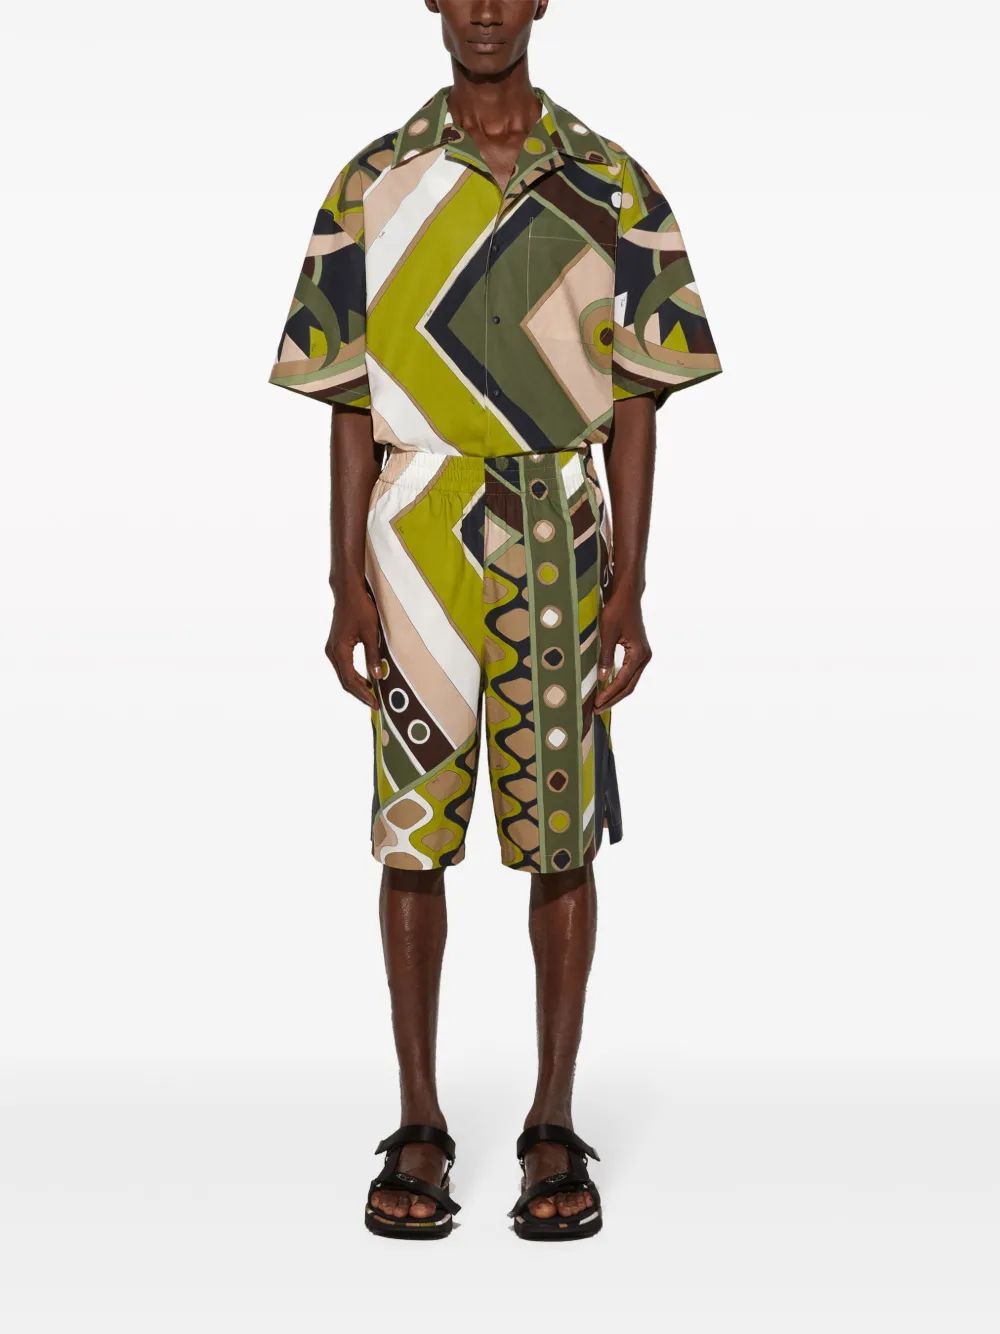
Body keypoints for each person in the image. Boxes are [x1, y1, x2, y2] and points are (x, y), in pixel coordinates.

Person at [268, 0, 721, 1241]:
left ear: (540, 1)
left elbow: (639, 395)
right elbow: (346, 398)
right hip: (414, 534)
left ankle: (552, 1119)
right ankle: (418, 1116)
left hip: (559, 531)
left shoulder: (612, 182)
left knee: (560, 835)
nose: (481, 10)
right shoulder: (372, 182)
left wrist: (630, 584)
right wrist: (343, 580)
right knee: (412, 836)